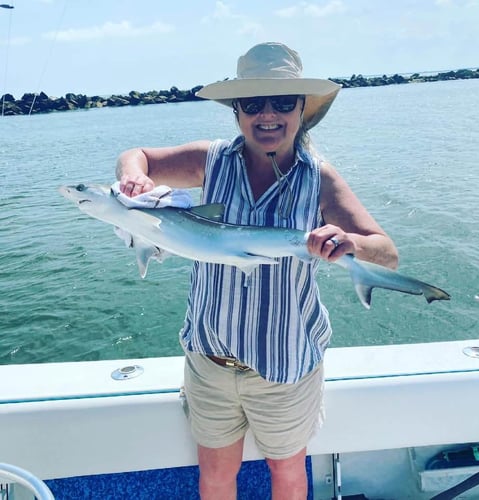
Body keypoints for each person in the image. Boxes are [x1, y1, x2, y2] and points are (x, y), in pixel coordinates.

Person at [116, 42, 398, 500]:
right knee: (215, 476)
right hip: (209, 359)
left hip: (286, 363)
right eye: (253, 103)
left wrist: (352, 244)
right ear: (237, 110)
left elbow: (386, 252)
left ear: (302, 108)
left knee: (287, 475)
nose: (268, 114)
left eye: (283, 102)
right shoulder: (210, 160)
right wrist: (135, 177)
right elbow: (136, 155)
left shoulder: (320, 179)